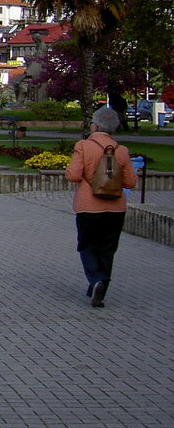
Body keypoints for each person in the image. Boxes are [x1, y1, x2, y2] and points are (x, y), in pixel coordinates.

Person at [64, 106, 138, 308]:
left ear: (95, 125)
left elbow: (73, 175)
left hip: (88, 206)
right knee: (107, 248)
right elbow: (130, 182)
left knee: (87, 246)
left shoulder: (84, 146)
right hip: (115, 208)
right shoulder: (121, 151)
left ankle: (95, 280)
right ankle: (101, 284)